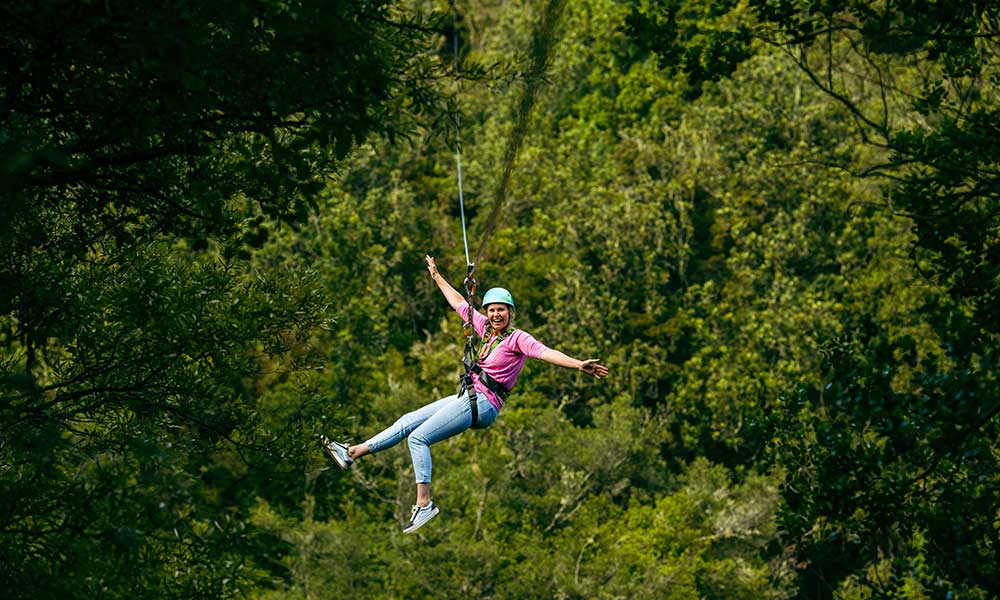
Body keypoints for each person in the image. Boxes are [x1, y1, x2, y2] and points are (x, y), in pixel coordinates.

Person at [321, 255, 609, 534]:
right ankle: (352, 452)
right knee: (408, 421)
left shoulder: (518, 338)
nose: (496, 315)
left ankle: (424, 504)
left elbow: (545, 353)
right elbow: (459, 301)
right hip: (468, 395)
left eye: (501, 310)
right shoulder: (482, 327)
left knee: (418, 439)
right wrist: (436, 277)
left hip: (483, 404)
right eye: (492, 309)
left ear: (511, 313)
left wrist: (577, 364)